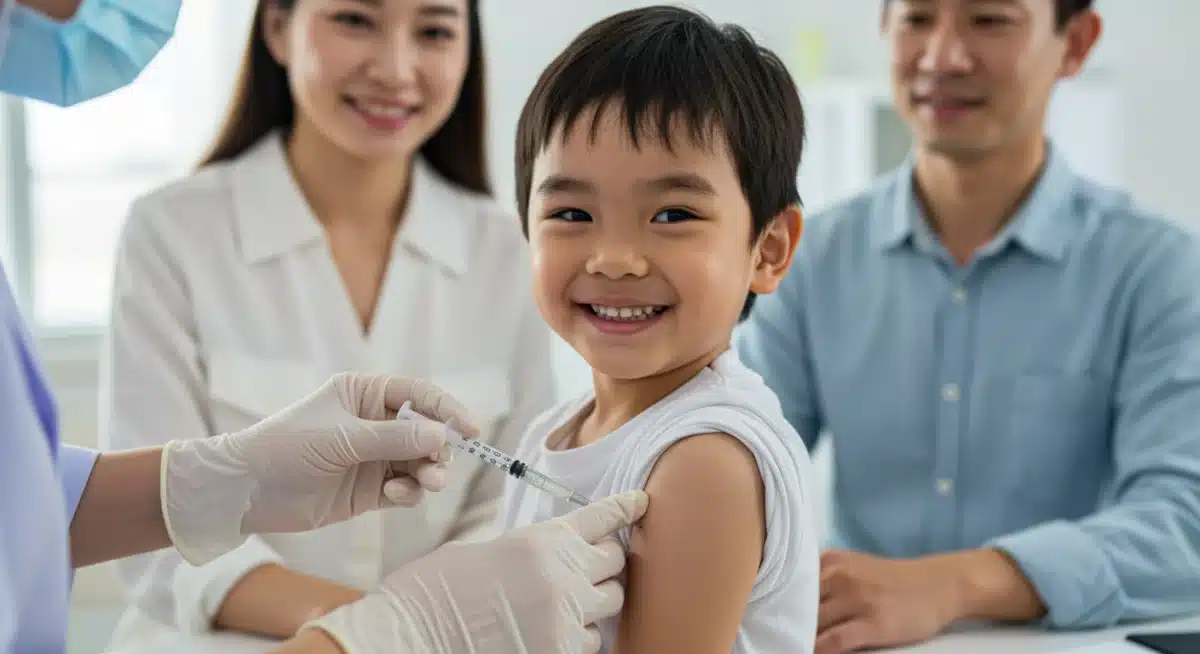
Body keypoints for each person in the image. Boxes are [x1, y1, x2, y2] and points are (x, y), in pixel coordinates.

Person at [0, 2, 644, 653]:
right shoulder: (171, 231)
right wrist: (388, 626)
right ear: (277, 28)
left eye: (434, 31)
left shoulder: (510, 251)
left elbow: (509, 503)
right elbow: (159, 551)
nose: (395, 68)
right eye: (355, 21)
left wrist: (426, 626)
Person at [735, 1, 1200, 653]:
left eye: (989, 20)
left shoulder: (1157, 268)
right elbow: (737, 461)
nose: (942, 58)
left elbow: (1186, 519)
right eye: (918, 19)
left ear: (1075, 43)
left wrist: (957, 584)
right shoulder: (811, 259)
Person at [498, 6, 820, 653]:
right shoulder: (553, 430)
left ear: (768, 249)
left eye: (672, 214)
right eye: (571, 212)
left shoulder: (704, 462)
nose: (614, 257)